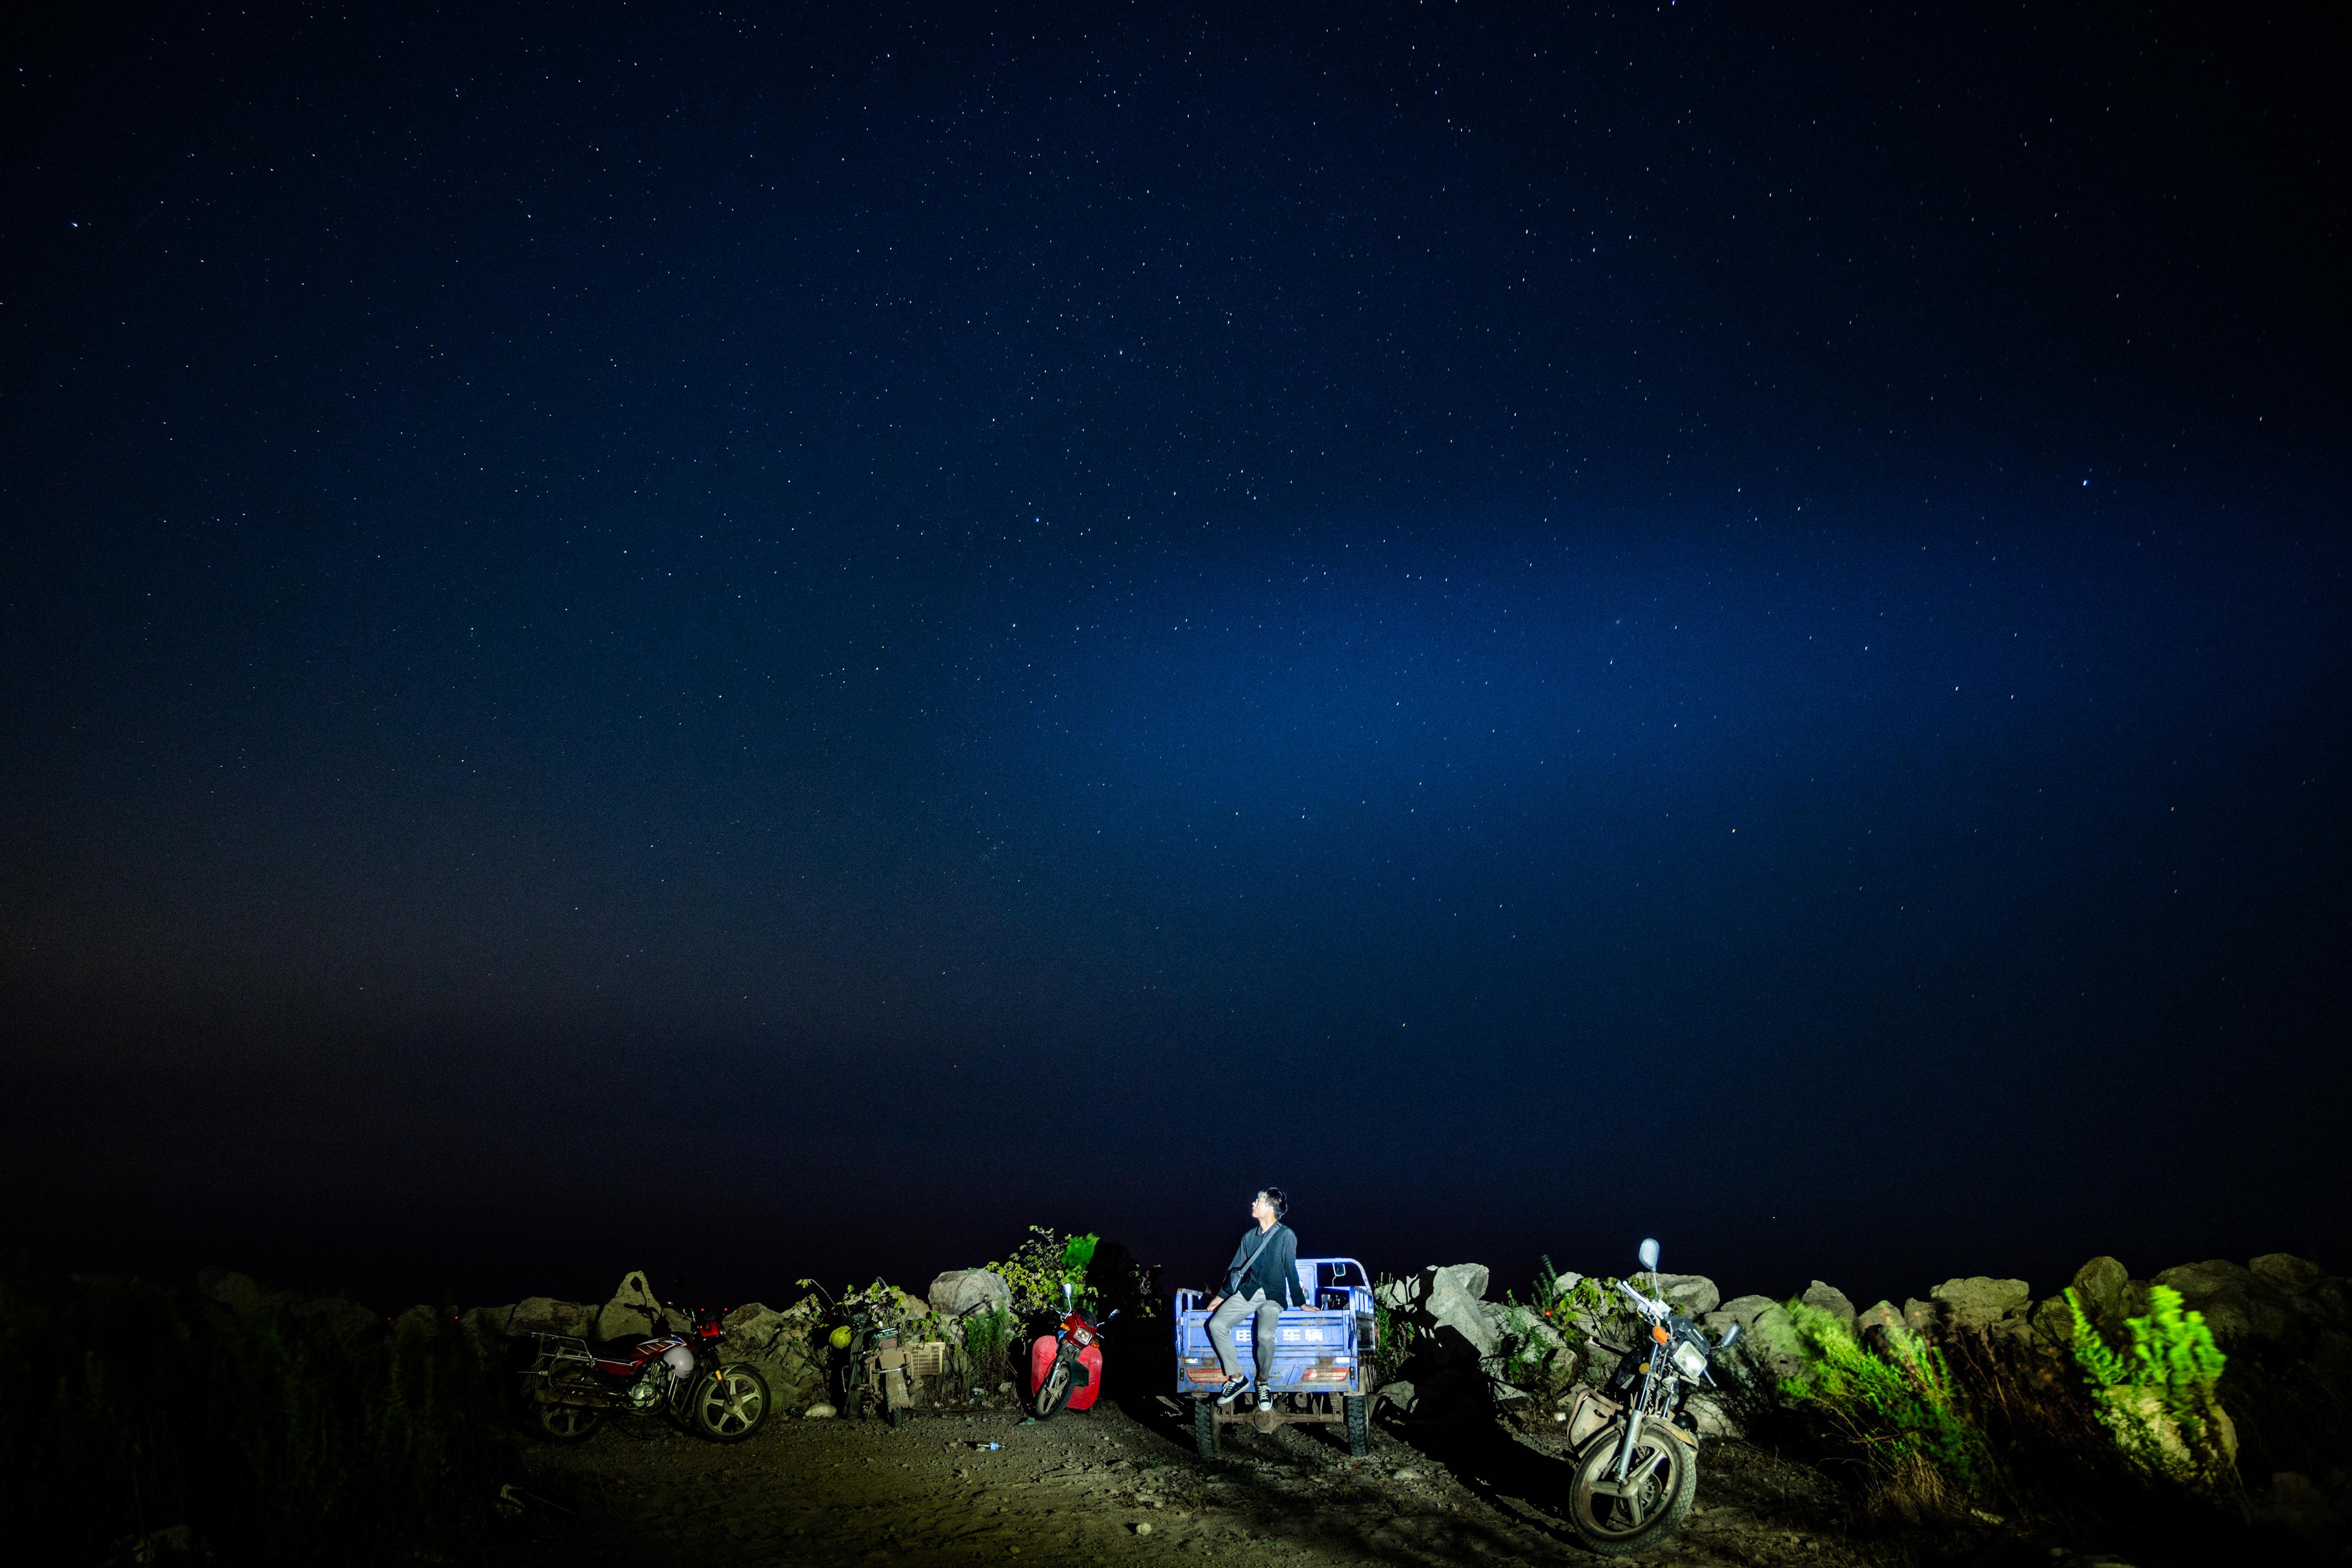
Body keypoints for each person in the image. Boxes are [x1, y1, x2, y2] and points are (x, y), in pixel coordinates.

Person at [1203, 1187, 1299, 1406]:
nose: (1253, 1204)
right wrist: (1221, 1296)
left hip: (1273, 1296)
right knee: (1217, 1325)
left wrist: (1301, 1303)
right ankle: (1237, 1378)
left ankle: (1263, 1382)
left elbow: (1290, 1270)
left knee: (1265, 1336)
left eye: (1259, 1200)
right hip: (1249, 1291)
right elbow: (1235, 1267)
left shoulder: (1286, 1235)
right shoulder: (1249, 1237)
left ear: (1271, 1207)